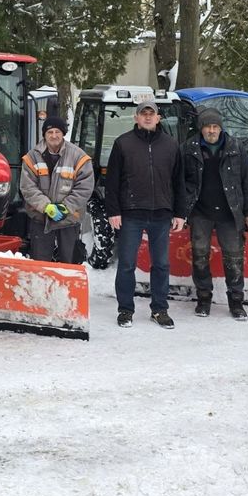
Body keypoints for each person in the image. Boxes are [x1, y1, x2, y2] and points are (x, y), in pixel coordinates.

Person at [102, 100, 188, 329]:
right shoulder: (123, 144)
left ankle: (159, 310)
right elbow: (112, 182)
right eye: (143, 114)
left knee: (161, 264)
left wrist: (180, 213)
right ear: (136, 118)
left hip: (161, 213)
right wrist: (114, 211)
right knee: (127, 264)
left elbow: (179, 182)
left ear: (158, 118)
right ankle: (125, 310)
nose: (148, 117)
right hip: (131, 213)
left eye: (152, 114)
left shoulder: (171, 145)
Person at [182, 107, 248, 320]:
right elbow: (180, 181)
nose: (211, 130)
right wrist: (180, 211)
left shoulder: (236, 147)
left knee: (234, 258)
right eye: (207, 126)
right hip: (200, 212)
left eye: (215, 126)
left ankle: (236, 301)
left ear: (221, 128)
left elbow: (247, 181)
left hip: (230, 212)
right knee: (199, 256)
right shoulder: (189, 148)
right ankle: (203, 299)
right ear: (201, 128)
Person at [19, 116, 94, 263]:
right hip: (40, 219)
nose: (54, 135)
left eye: (57, 131)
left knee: (69, 263)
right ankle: (42, 287)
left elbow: (85, 187)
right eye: (50, 132)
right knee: (40, 263)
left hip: (69, 220)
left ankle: (67, 286)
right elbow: (28, 187)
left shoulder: (79, 156)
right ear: (44, 135)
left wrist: (66, 207)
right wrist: (46, 206)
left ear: (63, 133)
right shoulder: (31, 157)